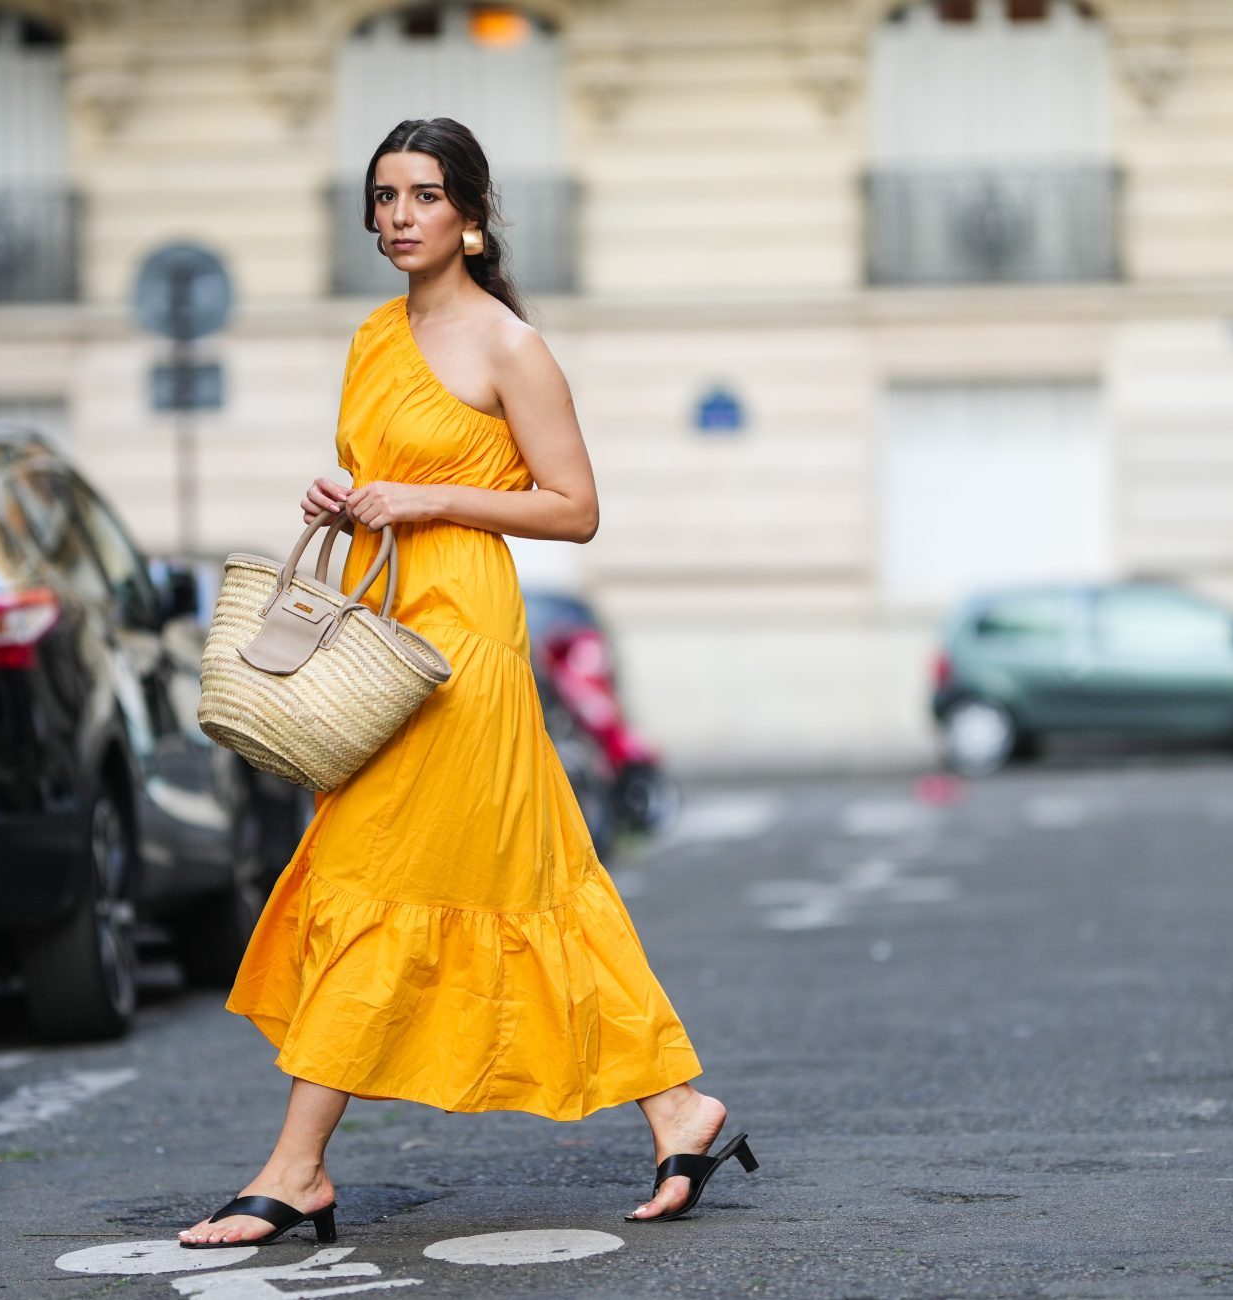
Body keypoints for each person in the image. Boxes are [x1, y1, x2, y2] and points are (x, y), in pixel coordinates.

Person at [178, 118, 755, 1249]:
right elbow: (383, 475)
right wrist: (348, 498)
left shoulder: (508, 345)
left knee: (372, 873)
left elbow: (574, 508)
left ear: (472, 216)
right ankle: (677, 1108)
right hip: (383, 630)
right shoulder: (370, 336)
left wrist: (426, 498)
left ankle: (295, 1169)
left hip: (465, 648)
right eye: (383, 195)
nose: (399, 216)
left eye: (424, 195)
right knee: (535, 882)